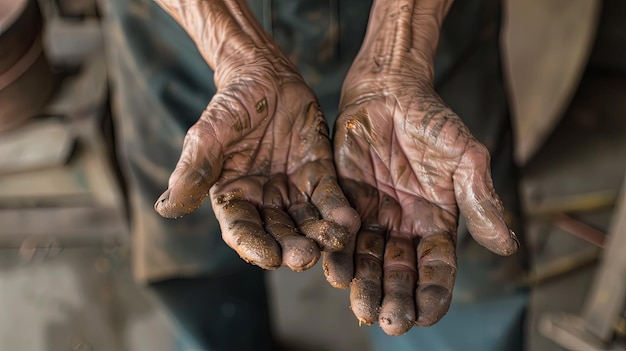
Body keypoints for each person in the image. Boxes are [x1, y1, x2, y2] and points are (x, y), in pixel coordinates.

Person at [101, 0, 528, 349]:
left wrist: (400, 52)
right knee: (194, 249)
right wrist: (237, 51)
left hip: (426, 37)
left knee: (453, 262)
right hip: (187, 28)